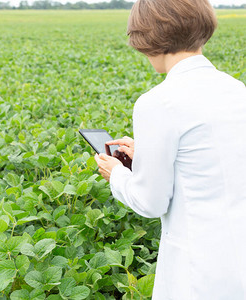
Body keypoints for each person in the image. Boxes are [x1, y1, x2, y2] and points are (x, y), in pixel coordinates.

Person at [94, 0, 246, 299]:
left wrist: (117, 175)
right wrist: (147, 155)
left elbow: (151, 202)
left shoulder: (157, 102)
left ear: (146, 36)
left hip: (198, 269)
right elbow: (214, 162)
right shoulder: (235, 89)